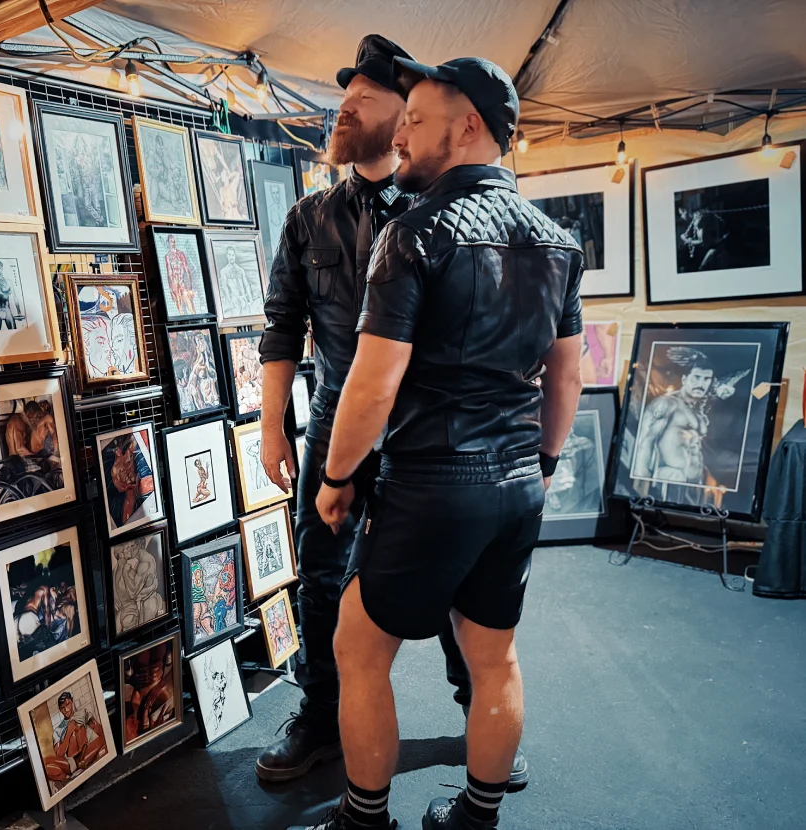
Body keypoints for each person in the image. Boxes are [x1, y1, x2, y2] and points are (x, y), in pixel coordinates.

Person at [289, 57, 585, 830]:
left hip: (432, 484)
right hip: (517, 482)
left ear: (469, 125)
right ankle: (475, 818)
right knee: (494, 657)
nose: (405, 133)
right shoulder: (558, 241)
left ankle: (363, 820)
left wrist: (337, 475)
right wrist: (543, 466)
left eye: (418, 120)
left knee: (357, 648)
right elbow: (564, 382)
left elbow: (373, 383)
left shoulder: (411, 234)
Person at [258, 35, 522, 788]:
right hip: (338, 421)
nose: (340, 116)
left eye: (357, 104)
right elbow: (282, 324)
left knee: (450, 576)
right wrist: (272, 422)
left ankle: (482, 715)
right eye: (340, 103)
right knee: (318, 572)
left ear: (400, 115)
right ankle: (321, 715)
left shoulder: (448, 210)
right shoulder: (309, 218)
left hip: (427, 431)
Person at [631, 349, 747, 499]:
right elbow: (645, 441)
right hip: (668, 477)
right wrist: (640, 484)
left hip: (691, 488)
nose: (701, 384)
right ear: (685, 379)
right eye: (696, 377)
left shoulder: (698, 413)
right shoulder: (667, 403)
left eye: (706, 379)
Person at [43, 690, 107, 781]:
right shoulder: (57, 730)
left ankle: (82, 762)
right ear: (59, 709)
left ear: (72, 701)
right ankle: (67, 778)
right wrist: (68, 732)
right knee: (45, 763)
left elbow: (99, 729)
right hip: (71, 762)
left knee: (79, 727)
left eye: (68, 704)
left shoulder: (83, 713)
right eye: (62, 708)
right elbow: (59, 754)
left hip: (86, 752)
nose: (66, 710)